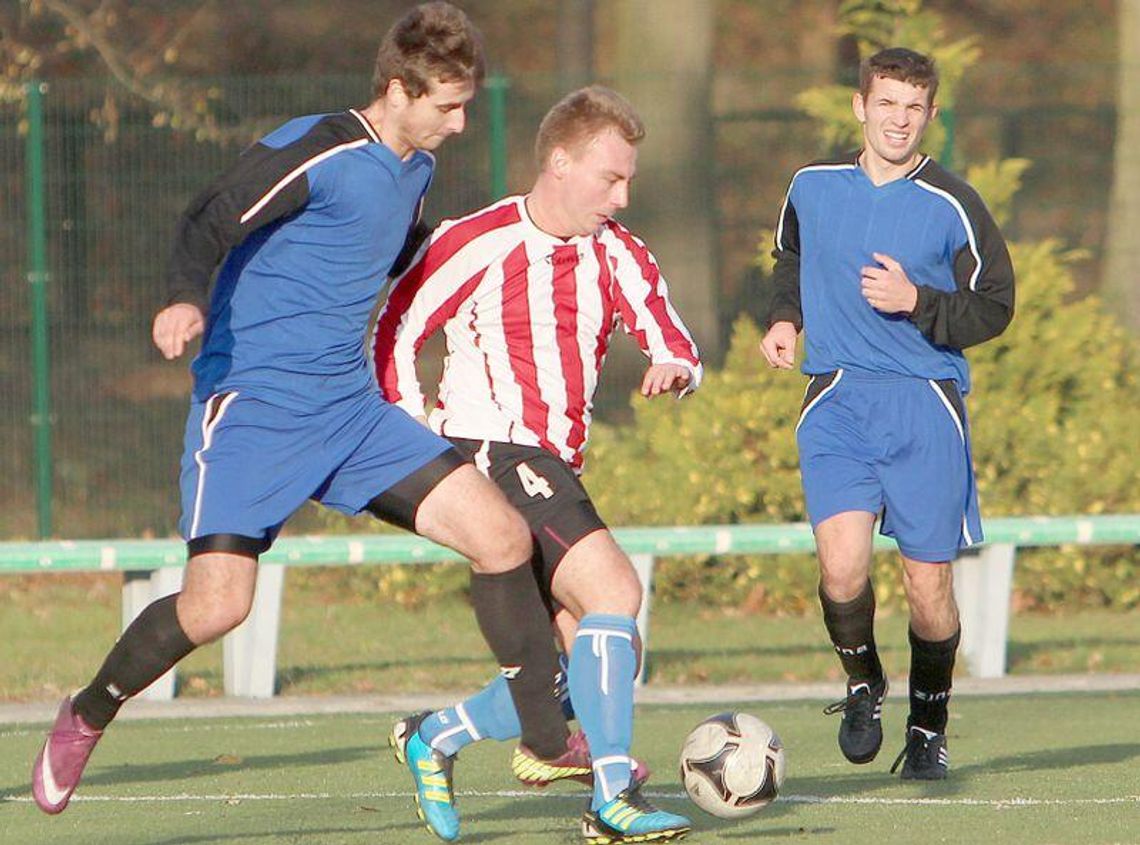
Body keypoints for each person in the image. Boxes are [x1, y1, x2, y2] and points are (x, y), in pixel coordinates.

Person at [32, 2, 568, 818]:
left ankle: (548, 737)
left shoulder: (416, 167)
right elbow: (210, 216)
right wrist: (184, 299)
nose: (460, 125)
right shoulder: (319, 150)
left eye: (466, 105)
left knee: (501, 537)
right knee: (219, 605)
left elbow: (386, 257)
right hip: (253, 411)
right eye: (447, 106)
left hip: (350, 412)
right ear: (398, 88)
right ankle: (88, 710)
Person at [373, 85, 699, 843]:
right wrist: (421, 438)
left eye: (629, 181)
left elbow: (672, 337)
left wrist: (677, 368)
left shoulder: (618, 252)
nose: (622, 195)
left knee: (595, 651)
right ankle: (612, 799)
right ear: (559, 161)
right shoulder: (476, 238)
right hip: (488, 449)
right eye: (609, 178)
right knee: (616, 587)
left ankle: (438, 733)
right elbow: (397, 330)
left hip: (553, 462)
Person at [760, 47, 1014, 780]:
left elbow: (996, 305)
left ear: (931, 114)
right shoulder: (812, 185)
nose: (898, 119)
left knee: (927, 588)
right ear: (860, 106)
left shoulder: (954, 203)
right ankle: (862, 682)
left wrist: (919, 303)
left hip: (924, 406)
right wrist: (785, 317)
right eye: (886, 104)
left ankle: (928, 725)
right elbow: (790, 258)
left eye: (913, 107)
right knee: (841, 569)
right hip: (837, 397)